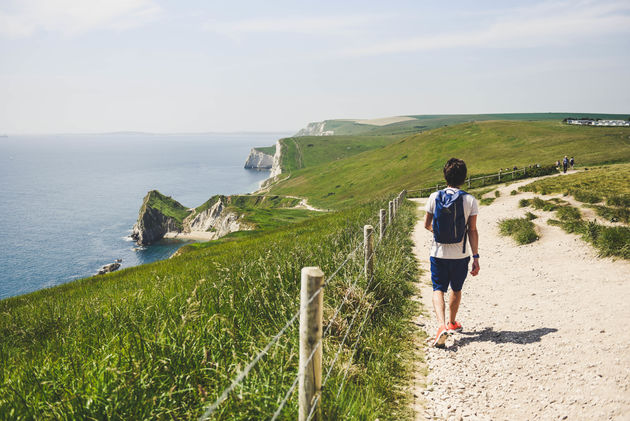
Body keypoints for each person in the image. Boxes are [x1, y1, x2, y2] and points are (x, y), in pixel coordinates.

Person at [424, 158, 480, 348]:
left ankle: (441, 326)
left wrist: (438, 233)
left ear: (445, 176)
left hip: (438, 253)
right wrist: (476, 257)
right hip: (460, 255)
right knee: (456, 289)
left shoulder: (434, 197)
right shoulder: (470, 200)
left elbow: (426, 224)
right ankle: (452, 322)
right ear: (464, 178)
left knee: (438, 288)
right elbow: (472, 230)